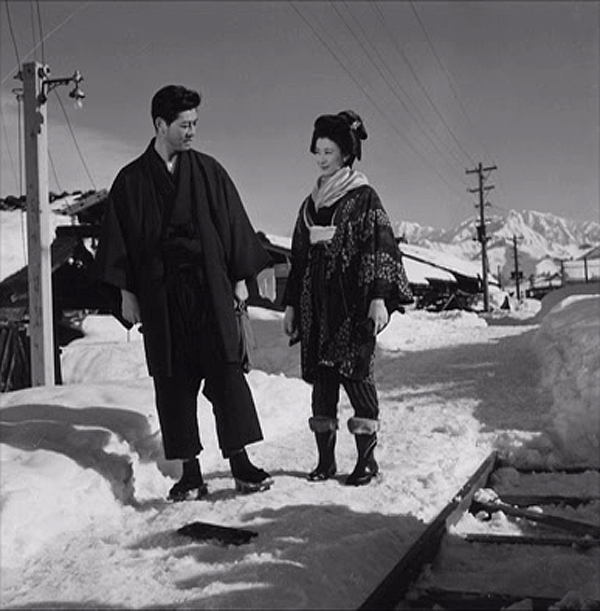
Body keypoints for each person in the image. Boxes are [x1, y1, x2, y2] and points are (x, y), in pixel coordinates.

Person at [95, 85, 273, 500]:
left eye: (195, 123)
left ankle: (241, 462)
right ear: (160, 125)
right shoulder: (131, 181)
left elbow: (234, 228)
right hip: (161, 299)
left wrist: (240, 277)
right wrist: (125, 293)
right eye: (184, 124)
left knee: (227, 375)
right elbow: (116, 244)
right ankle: (190, 473)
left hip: (210, 291)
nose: (192, 131)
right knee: (173, 385)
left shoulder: (210, 172)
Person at [282, 110, 413, 486]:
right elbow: (298, 256)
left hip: (351, 302)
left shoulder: (364, 197)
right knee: (323, 381)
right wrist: (291, 304)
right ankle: (325, 461)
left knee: (356, 376)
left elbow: (379, 248)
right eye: (318, 151)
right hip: (316, 305)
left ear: (346, 154)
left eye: (329, 151)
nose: (322, 158)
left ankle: (367, 462)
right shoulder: (309, 204)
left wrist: (379, 298)